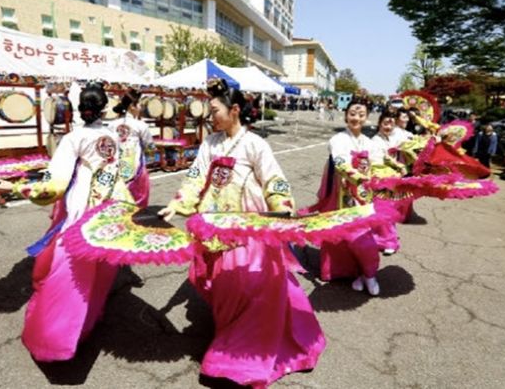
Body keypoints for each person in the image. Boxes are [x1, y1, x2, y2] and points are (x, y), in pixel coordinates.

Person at [158, 79, 325, 387]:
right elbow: (195, 178)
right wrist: (177, 204)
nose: (211, 116)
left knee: (247, 286)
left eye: (215, 110)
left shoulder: (255, 144)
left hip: (248, 225)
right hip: (213, 224)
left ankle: (238, 357)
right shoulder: (210, 143)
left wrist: (282, 206)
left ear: (234, 110)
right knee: (223, 286)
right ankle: (228, 334)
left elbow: (274, 179)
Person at [0, 83, 131, 362]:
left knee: (70, 272)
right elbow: (119, 172)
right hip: (110, 207)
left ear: (79, 109)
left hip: (82, 208)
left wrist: (17, 188)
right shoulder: (112, 136)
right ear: (104, 107)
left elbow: (54, 184)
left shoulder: (74, 138)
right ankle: (89, 320)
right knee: (101, 268)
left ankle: (56, 339)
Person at [299, 98, 383, 296]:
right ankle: (343, 271)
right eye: (353, 113)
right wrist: (357, 177)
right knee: (338, 233)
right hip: (340, 192)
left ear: (367, 118)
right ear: (346, 115)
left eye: (361, 114)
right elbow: (340, 162)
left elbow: (378, 163)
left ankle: (365, 272)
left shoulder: (369, 142)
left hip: (363, 192)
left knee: (362, 234)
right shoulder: (337, 139)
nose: (356, 118)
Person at [370, 109, 410, 255]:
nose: (388, 126)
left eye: (391, 123)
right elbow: (376, 163)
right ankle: (386, 240)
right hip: (380, 179)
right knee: (382, 210)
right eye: (385, 123)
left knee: (389, 210)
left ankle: (386, 239)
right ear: (379, 124)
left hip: (393, 180)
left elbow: (410, 142)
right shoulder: (375, 141)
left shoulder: (394, 138)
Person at [108, 88, 154, 208]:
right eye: (138, 104)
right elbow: (149, 145)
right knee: (137, 199)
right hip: (136, 167)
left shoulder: (111, 125)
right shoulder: (141, 125)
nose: (140, 107)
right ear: (132, 107)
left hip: (116, 165)